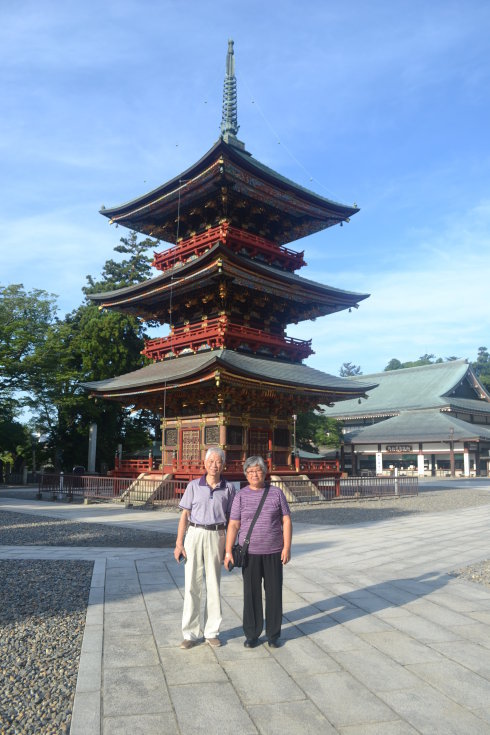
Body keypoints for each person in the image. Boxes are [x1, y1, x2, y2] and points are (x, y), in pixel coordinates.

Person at [224, 455, 292, 648]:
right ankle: (252, 634)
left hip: (273, 550)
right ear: (246, 474)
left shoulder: (276, 493)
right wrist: (228, 550)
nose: (254, 474)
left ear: (265, 472)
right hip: (250, 553)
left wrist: (287, 547)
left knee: (274, 593)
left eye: (258, 470)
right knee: (251, 593)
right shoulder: (241, 496)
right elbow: (234, 524)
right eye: (250, 471)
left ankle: (273, 634)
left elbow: (286, 520)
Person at [174, 447, 235, 649]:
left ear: (223, 465)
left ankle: (211, 631)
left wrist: (229, 548)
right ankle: (190, 633)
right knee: (192, 583)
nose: (214, 465)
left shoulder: (229, 488)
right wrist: (179, 543)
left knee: (213, 583)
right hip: (195, 533)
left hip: (217, 534)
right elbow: (184, 515)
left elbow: (232, 519)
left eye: (218, 462)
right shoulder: (193, 486)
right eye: (211, 461)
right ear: (205, 463)